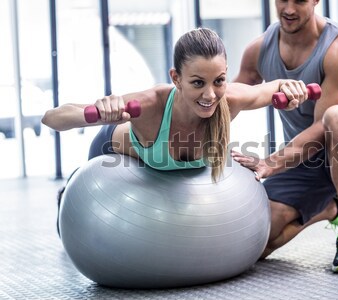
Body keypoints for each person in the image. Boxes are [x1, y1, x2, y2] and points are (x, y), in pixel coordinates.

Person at [41, 28, 307, 234]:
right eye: (197, 83)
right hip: (110, 153)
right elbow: (51, 118)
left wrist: (293, 88)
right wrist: (102, 109)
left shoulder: (232, 100)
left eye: (219, 81)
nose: (210, 94)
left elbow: (275, 86)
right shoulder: (150, 104)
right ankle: (67, 192)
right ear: (176, 78)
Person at [232, 0, 338, 273]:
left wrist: (271, 162)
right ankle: (331, 208)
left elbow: (322, 130)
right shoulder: (258, 49)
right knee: (256, 242)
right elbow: (231, 101)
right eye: (283, 0)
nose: (289, 9)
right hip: (305, 162)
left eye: (300, 0)